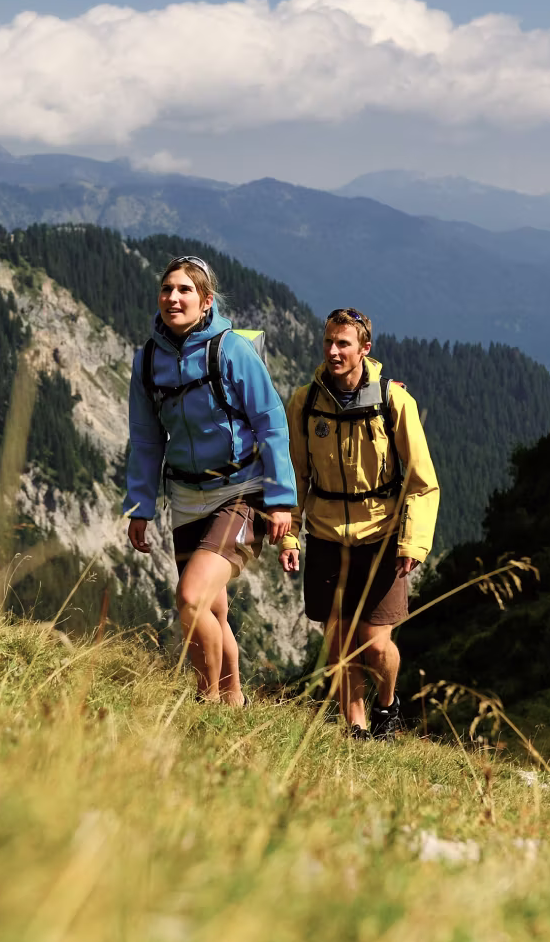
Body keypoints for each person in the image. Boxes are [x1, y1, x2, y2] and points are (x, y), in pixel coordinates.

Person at [124, 255, 296, 706]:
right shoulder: (146, 362)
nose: (173, 297)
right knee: (213, 608)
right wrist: (140, 507)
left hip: (241, 492)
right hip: (185, 498)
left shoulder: (231, 350)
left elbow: (271, 423)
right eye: (167, 289)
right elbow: (145, 441)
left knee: (191, 597)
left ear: (206, 301)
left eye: (184, 290)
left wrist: (281, 501)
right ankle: (233, 701)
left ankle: (206, 704)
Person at [280, 307, 439, 738]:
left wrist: (413, 543)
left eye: (343, 344)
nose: (333, 351)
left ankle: (387, 704)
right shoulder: (305, 402)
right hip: (326, 534)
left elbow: (423, 482)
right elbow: (295, 476)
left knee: (375, 642)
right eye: (329, 342)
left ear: (364, 349)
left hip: (382, 534)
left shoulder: (393, 401)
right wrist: (290, 536)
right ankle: (357, 728)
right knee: (338, 641)